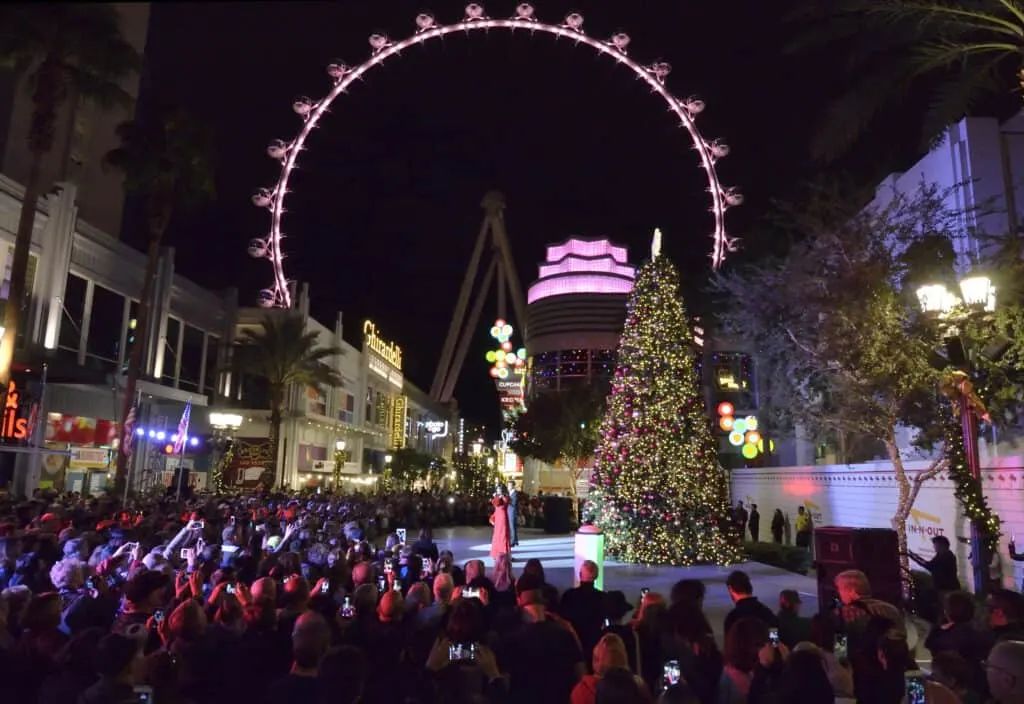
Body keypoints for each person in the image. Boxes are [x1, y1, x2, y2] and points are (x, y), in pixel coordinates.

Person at [490, 483, 511, 561]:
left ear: (502, 489)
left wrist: (501, 497)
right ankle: (496, 554)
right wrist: (493, 517)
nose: (498, 490)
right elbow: (496, 507)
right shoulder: (496, 496)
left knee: (503, 535)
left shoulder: (506, 497)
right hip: (498, 516)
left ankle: (504, 554)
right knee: (497, 535)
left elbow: (505, 503)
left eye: (499, 489)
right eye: (497, 489)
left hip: (502, 517)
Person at [508, 480, 520, 548]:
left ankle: (512, 542)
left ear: (513, 486)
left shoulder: (515, 493)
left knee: (512, 527)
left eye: (510, 485)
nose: (508, 486)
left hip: (512, 512)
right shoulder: (509, 493)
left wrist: (506, 501)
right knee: (512, 527)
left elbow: (514, 503)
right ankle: (515, 540)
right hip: (509, 511)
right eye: (508, 485)